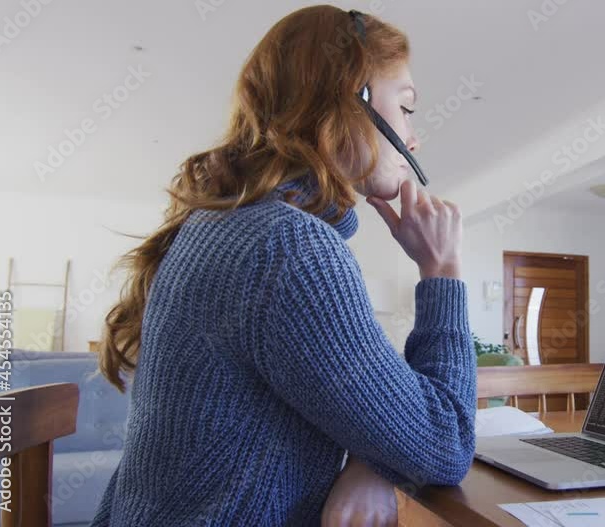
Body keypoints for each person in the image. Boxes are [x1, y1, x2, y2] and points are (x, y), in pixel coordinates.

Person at [91, 5, 475, 526]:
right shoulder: (289, 250)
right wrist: (443, 270)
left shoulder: (232, 226)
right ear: (352, 99)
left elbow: (385, 414)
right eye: (405, 108)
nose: (413, 137)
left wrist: (376, 460)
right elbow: (446, 443)